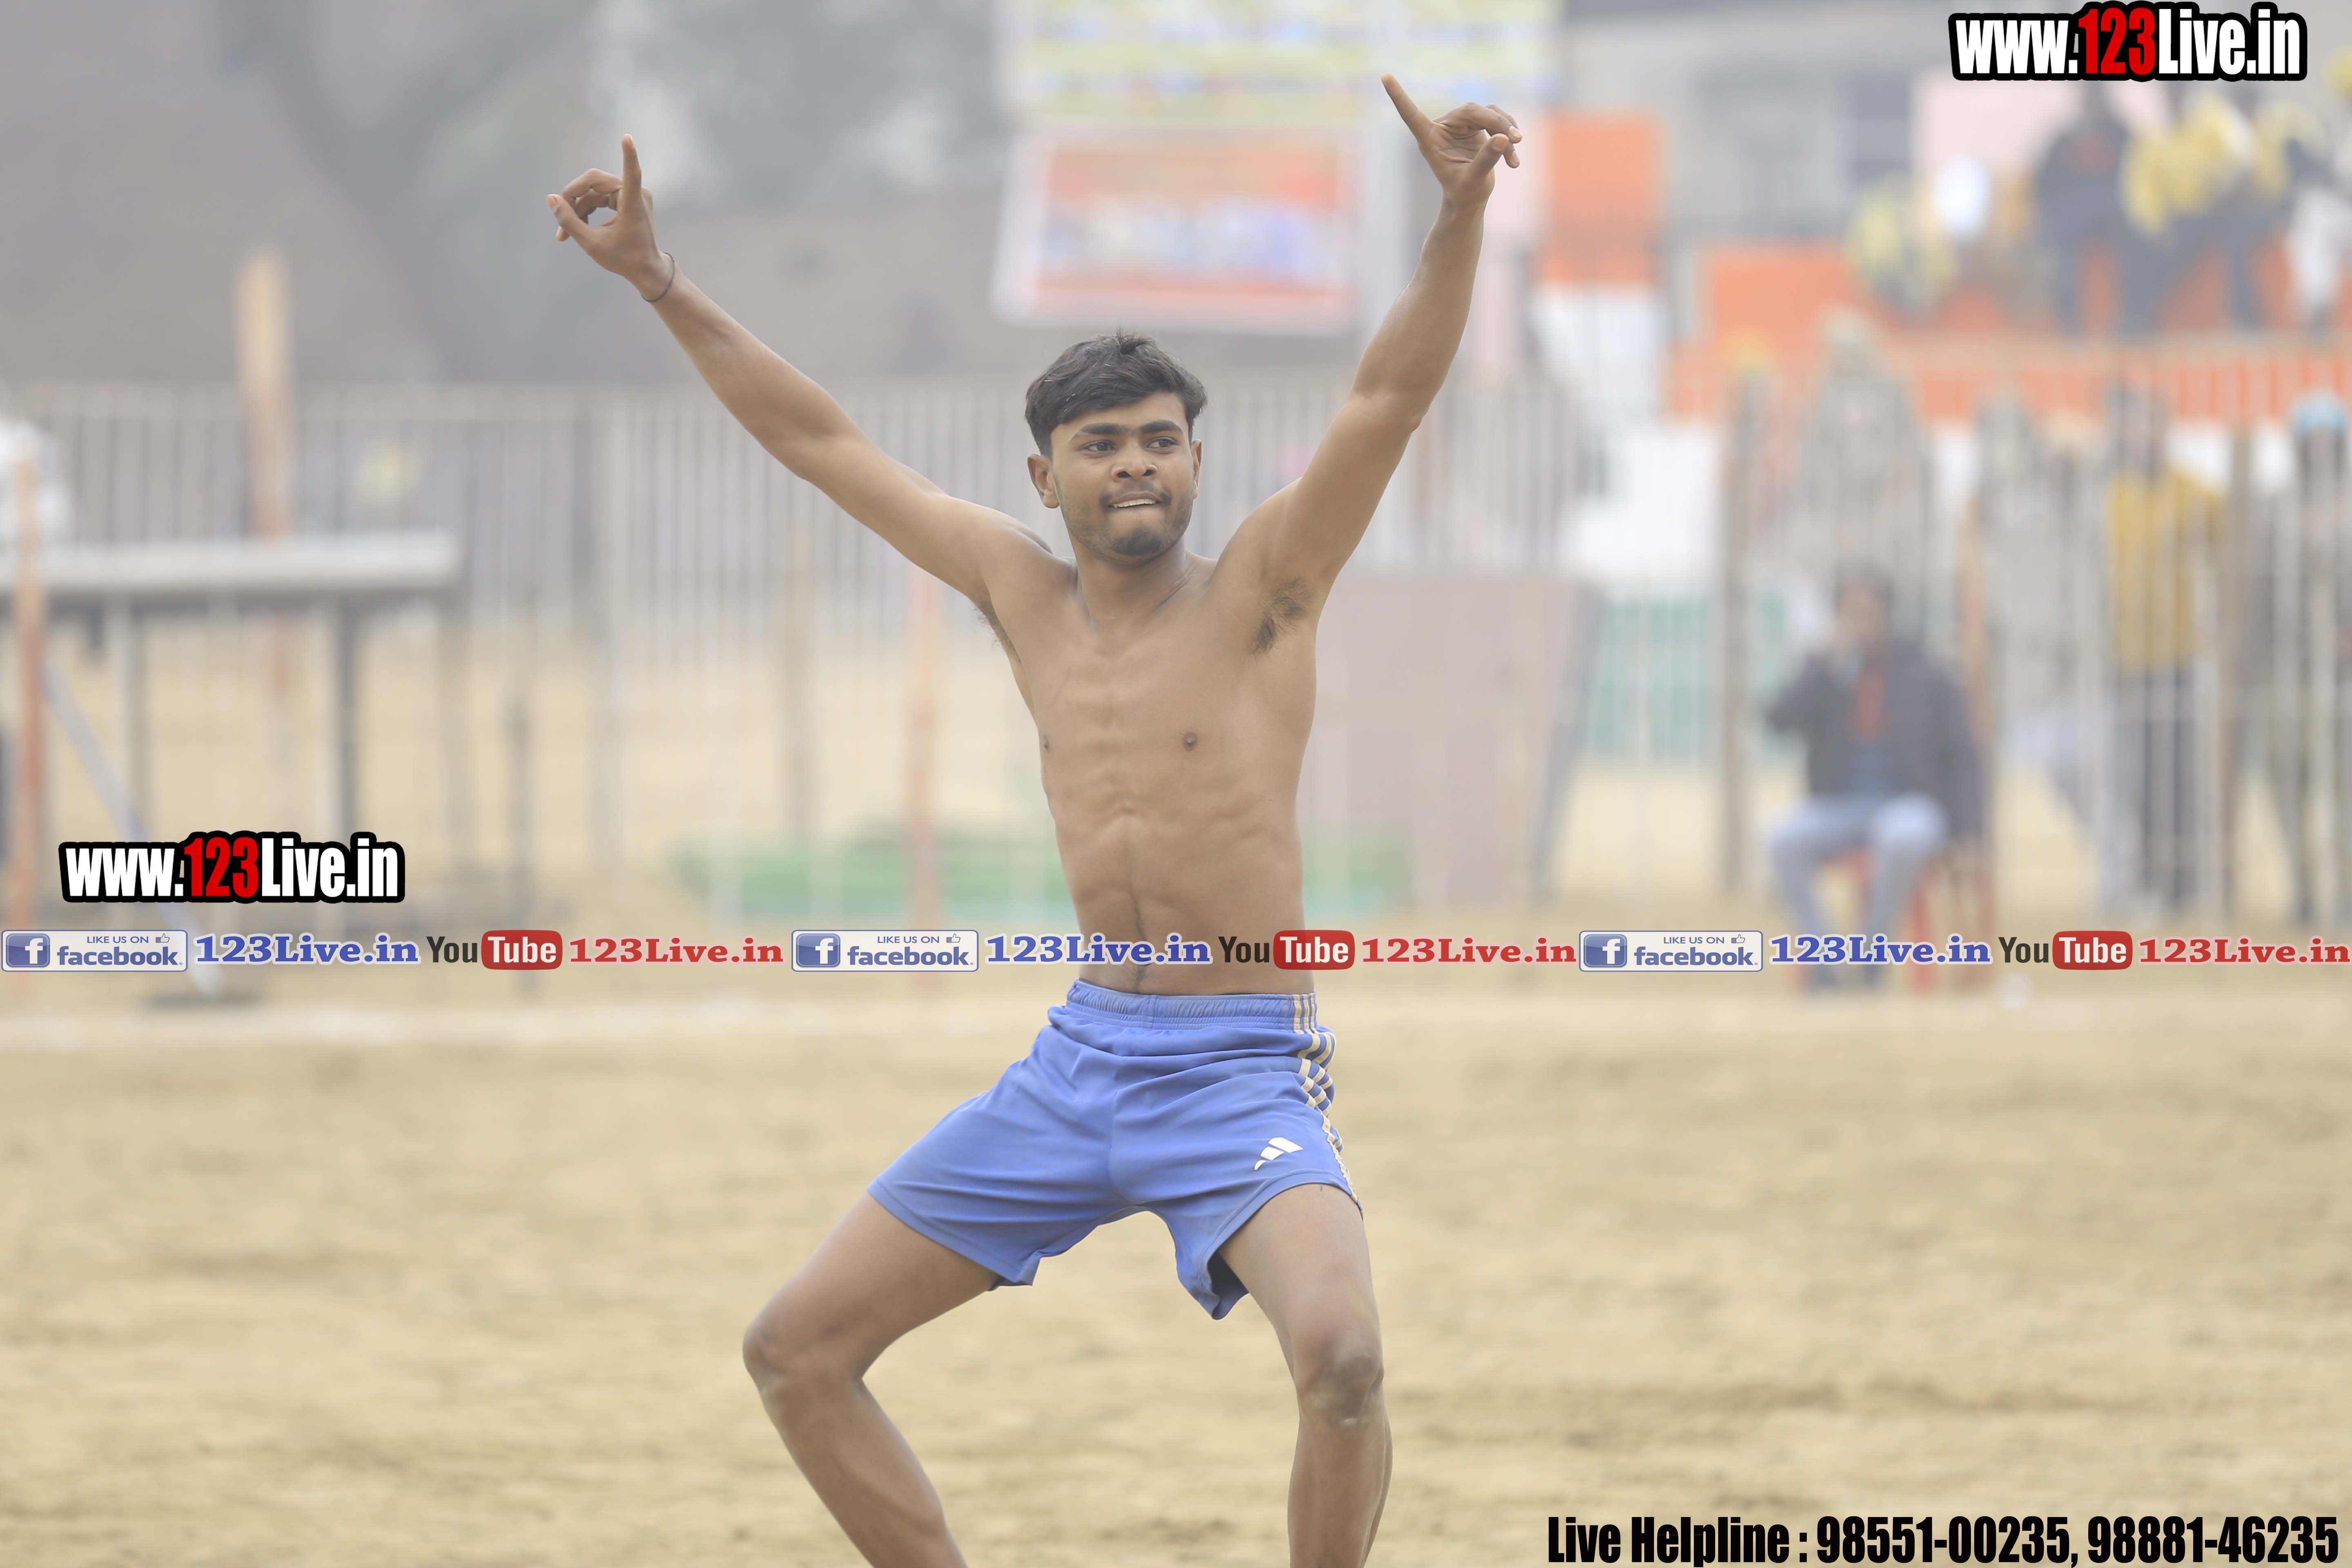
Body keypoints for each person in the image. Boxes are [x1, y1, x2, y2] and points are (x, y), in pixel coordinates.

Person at [547, 77, 1521, 1568]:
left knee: (1343, 1361)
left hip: (1239, 1068)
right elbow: (823, 442)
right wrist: (662, 284)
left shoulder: (1265, 590)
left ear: (1195, 461)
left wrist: (1456, 214)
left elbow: (1387, 397)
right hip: (1079, 1066)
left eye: (1159, 439)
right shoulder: (1020, 591)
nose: (1134, 461)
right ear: (1043, 475)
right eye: (1102, 442)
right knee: (795, 1351)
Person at [1764, 564, 1983, 984]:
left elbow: (1963, 757)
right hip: (1836, 805)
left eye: (1868, 614)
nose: (1859, 624)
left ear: (1887, 616)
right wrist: (1824, 668)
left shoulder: (1925, 671)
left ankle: (1871, 955)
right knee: (1783, 839)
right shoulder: (1824, 670)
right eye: (1850, 614)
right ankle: (1824, 959)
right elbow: (1778, 720)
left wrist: (1971, 832)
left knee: (1905, 839)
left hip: (1908, 802)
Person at [2103, 387, 2226, 911]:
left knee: (2181, 774)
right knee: (2137, 776)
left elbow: (2228, 559)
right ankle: (2149, 874)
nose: (2145, 435)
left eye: (2154, 423)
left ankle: (2185, 878)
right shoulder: (2110, 497)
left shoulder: (2195, 495)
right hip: (2124, 659)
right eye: (2137, 425)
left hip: (2178, 656)